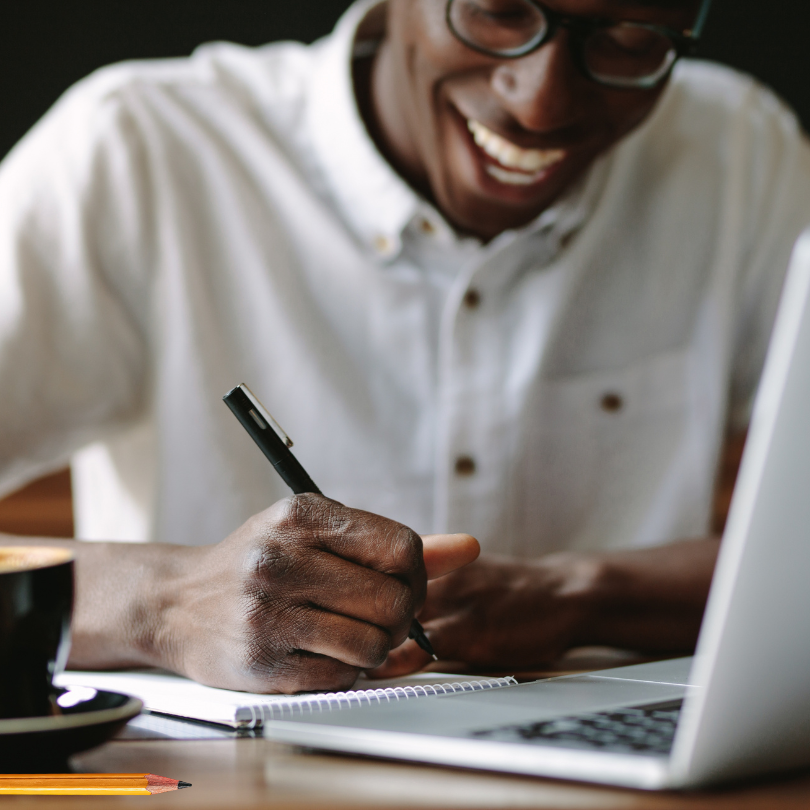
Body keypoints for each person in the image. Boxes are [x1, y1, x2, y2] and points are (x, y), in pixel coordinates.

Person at [1, 0, 809, 691]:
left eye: (632, 39)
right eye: (497, 10)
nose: (542, 104)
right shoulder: (136, 151)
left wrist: (579, 596)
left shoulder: (739, 156)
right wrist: (163, 602)